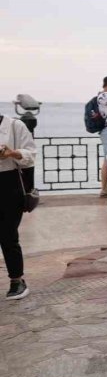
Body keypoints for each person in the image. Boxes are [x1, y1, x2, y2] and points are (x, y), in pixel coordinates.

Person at [0, 114, 37, 300]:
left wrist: (11, 153)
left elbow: (31, 156)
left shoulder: (14, 125)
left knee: (7, 235)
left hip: (8, 184)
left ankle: (17, 280)